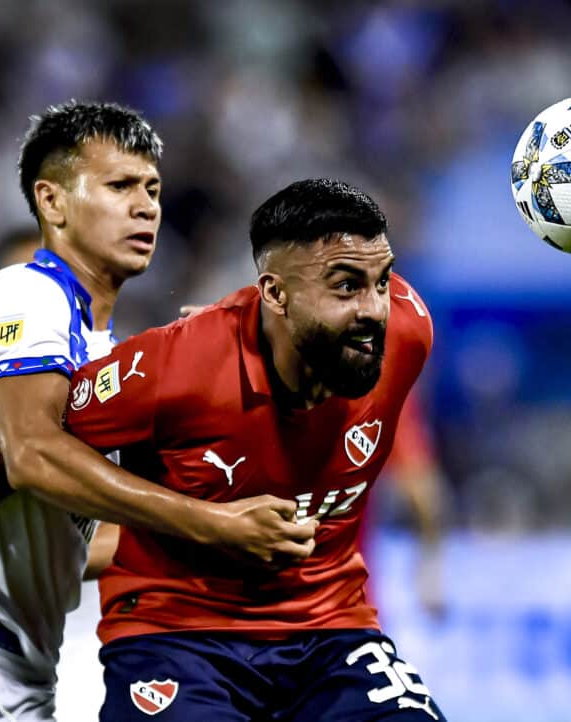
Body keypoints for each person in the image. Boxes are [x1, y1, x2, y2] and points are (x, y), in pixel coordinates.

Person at [0, 101, 316, 721]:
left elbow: (81, 539)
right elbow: (31, 455)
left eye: (153, 189)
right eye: (120, 185)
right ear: (52, 202)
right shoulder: (26, 291)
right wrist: (216, 525)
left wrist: (224, 531)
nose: (146, 206)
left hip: (23, 673)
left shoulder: (109, 364)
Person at [65, 178, 447, 720]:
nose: (373, 310)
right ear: (274, 295)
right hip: (179, 632)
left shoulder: (404, 336)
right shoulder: (176, 367)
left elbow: (421, 477)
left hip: (328, 630)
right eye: (345, 287)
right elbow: (37, 445)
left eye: (381, 282)